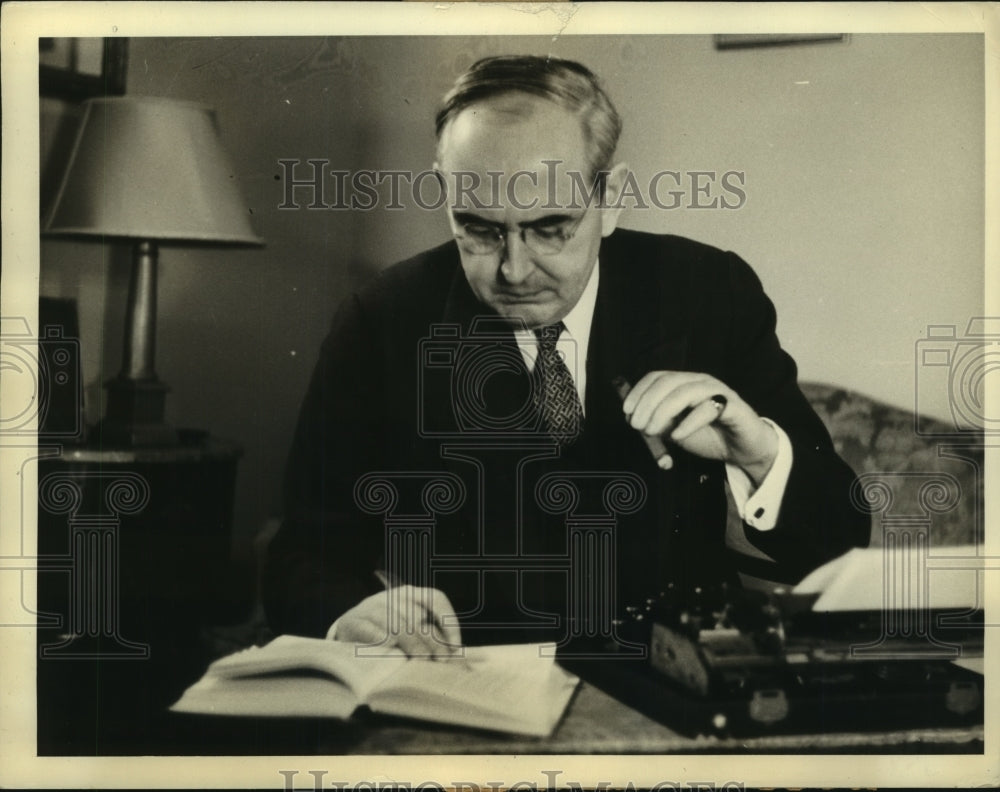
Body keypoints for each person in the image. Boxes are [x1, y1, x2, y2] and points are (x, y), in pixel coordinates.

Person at [263, 55, 869, 657]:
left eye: (551, 227)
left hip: (675, 679)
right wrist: (352, 615)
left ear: (612, 199)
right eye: (478, 229)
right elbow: (304, 553)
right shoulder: (382, 322)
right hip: (468, 684)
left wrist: (759, 454)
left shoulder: (708, 293)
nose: (514, 270)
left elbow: (841, 543)